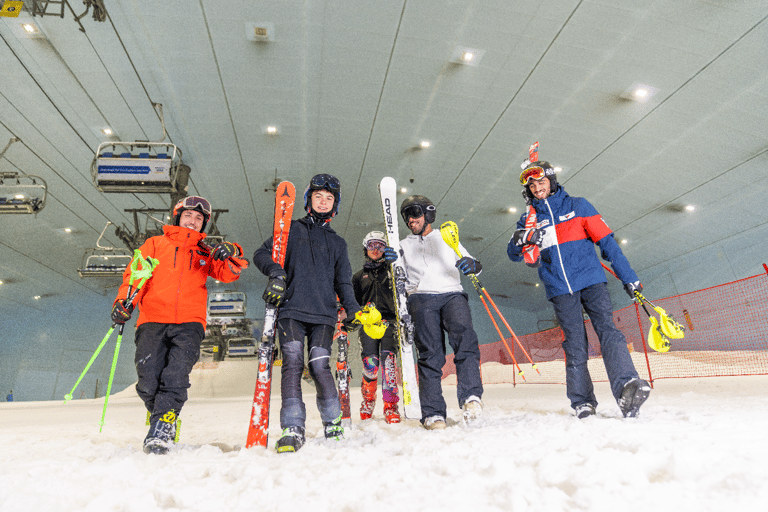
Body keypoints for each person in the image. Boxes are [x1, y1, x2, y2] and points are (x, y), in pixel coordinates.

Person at [507, 159, 651, 419]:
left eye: (542, 182)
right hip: (560, 288)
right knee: (574, 343)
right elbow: (514, 255)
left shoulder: (579, 206)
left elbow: (608, 243)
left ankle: (627, 387)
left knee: (608, 330)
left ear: (551, 182)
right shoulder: (529, 218)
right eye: (532, 185)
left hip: (591, 280)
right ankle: (582, 401)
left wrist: (628, 276)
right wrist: (522, 239)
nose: (538, 188)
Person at [110, 196, 249, 454]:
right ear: (177, 217)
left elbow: (230, 272)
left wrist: (233, 252)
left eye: (199, 218)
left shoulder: (205, 251)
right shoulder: (154, 244)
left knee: (175, 375)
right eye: (188, 216)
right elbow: (136, 275)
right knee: (147, 380)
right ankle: (162, 416)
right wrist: (125, 302)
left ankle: (162, 427)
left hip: (189, 322)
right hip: (152, 319)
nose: (193, 221)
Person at [254, 174, 365, 453]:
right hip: (291, 309)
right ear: (308, 201)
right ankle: (292, 427)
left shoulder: (337, 243)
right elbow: (261, 254)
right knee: (292, 362)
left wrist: (352, 309)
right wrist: (277, 273)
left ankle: (333, 423)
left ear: (335, 205)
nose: (323, 202)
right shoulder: (289, 230)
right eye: (318, 197)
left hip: (324, 315)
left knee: (318, 365)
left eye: (329, 199)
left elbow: (342, 281)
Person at [390, 195, 484, 430]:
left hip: (452, 294)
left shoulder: (445, 236)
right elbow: (395, 274)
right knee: (430, 355)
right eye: (407, 216)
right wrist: (388, 260)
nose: (411, 219)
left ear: (428, 214)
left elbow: (471, 261)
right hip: (421, 298)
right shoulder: (402, 245)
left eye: (416, 213)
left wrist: (473, 265)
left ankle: (471, 399)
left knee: (466, 342)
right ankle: (433, 413)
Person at [352, 231, 400, 424]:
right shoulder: (358, 277)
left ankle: (391, 406)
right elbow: (353, 304)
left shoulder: (394, 272)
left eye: (380, 246)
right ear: (365, 248)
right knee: (370, 365)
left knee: (389, 366)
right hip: (368, 325)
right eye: (371, 245)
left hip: (389, 323)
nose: (375, 249)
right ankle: (368, 401)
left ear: (385, 249)